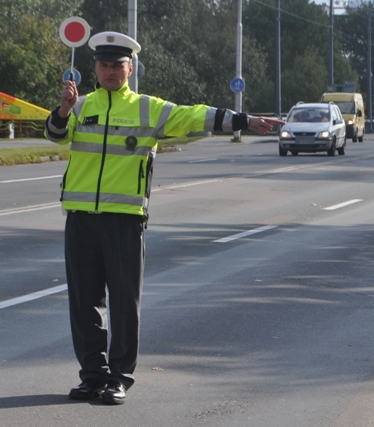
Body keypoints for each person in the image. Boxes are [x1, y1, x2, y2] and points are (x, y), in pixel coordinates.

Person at [44, 31, 284, 405]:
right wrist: (62, 109)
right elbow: (56, 135)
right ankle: (92, 376)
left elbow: (195, 116)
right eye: (104, 65)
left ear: (130, 69)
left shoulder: (147, 108)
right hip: (80, 219)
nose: (110, 71)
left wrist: (244, 121)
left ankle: (119, 377)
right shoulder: (80, 104)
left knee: (124, 303)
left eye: (117, 66)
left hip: (124, 219)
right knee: (83, 304)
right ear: (95, 67)